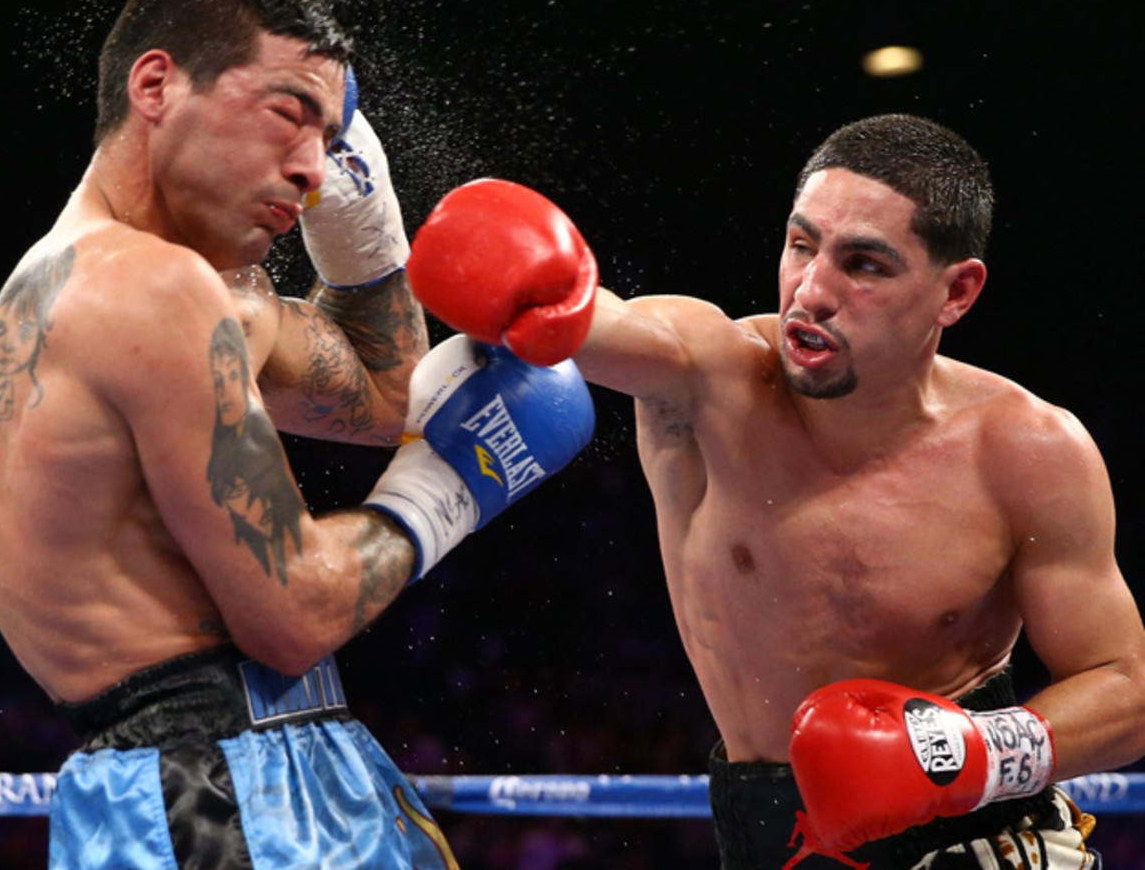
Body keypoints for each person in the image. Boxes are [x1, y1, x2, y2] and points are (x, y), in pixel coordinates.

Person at [0, 0, 594, 868]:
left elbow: (387, 397)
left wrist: (361, 223)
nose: (313, 170)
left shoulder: (189, 289)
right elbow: (292, 616)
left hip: (257, 767)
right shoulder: (146, 290)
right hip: (214, 790)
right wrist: (448, 488)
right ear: (155, 85)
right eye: (288, 114)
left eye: (331, 141)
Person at [404, 115, 1145, 869]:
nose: (812, 291)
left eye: (864, 264)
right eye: (801, 244)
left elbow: (1127, 689)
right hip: (764, 840)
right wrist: (521, 284)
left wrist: (968, 754)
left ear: (956, 291)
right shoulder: (704, 380)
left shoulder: (1025, 451)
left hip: (978, 842)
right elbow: (596, 322)